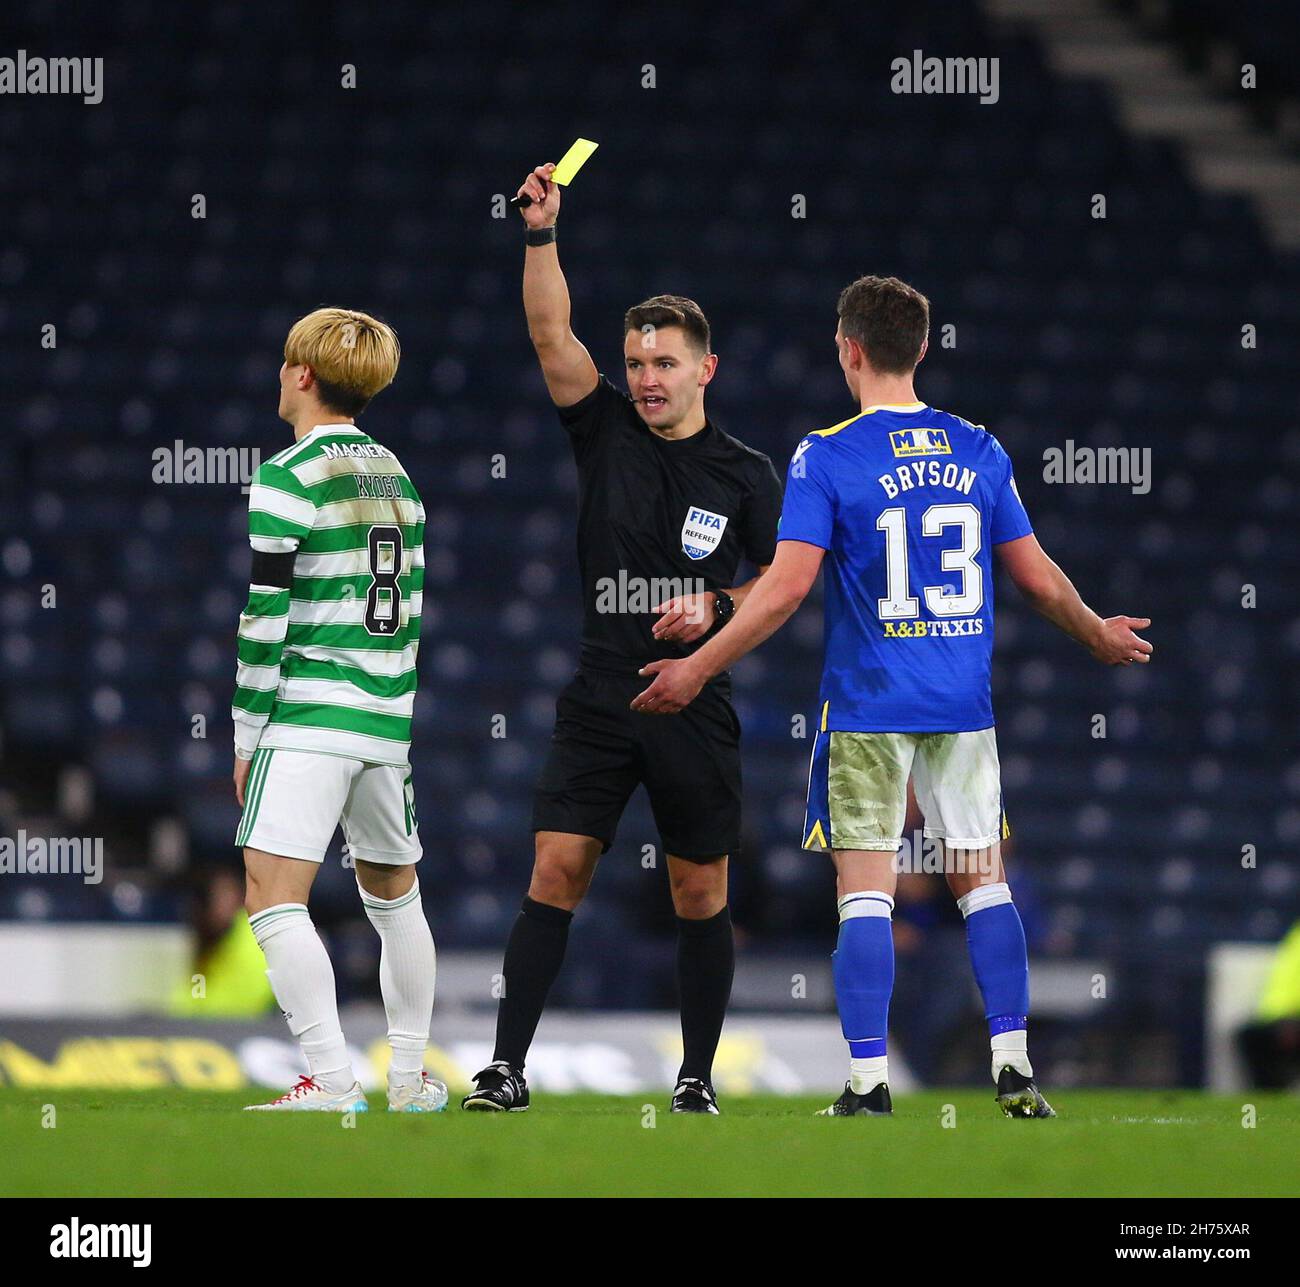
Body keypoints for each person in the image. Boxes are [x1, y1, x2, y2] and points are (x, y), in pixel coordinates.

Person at [633, 274, 1154, 1118]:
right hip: (962, 705)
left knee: (866, 894)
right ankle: (1015, 1070)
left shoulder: (827, 454)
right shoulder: (977, 447)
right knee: (984, 884)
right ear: (919, 349)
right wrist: (1095, 631)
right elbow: (1034, 575)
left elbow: (785, 588)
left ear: (849, 349)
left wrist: (700, 664)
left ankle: (869, 1083)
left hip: (870, 705)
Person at [461, 164, 783, 1114]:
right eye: (637, 362)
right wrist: (541, 234)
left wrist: (715, 616)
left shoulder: (749, 474)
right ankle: (505, 1067)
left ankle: (695, 1079)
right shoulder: (602, 427)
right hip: (602, 689)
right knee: (554, 870)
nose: (645, 378)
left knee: (697, 892)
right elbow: (549, 331)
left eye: (664, 363)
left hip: (695, 696)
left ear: (704, 370)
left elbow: (769, 585)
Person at [232, 307, 445, 1112]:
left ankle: (328, 1078)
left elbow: (263, 620)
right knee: (397, 898)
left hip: (311, 713)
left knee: (272, 892)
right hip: (386, 722)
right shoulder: (399, 476)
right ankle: (410, 1078)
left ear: (301, 374)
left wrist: (248, 732)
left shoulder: (289, 475)